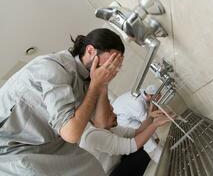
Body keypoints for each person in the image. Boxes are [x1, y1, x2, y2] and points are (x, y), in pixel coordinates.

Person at [0, 28, 124, 175]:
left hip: (47, 142)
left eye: (117, 65)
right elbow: (71, 133)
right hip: (11, 148)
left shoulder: (88, 80)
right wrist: (96, 85)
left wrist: (102, 86)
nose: (113, 68)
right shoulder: (53, 68)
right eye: (111, 60)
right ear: (90, 51)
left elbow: (102, 124)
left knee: (91, 168)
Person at [79, 102, 172, 176]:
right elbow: (132, 145)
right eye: (110, 113)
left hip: (117, 168)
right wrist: (155, 124)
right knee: (139, 153)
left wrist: (151, 117)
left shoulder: (110, 128)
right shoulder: (92, 136)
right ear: (98, 118)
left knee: (140, 150)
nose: (115, 114)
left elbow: (138, 132)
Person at [112, 85, 163, 163]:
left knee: (148, 133)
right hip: (122, 120)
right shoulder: (138, 103)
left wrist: (156, 137)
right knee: (146, 138)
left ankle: (157, 147)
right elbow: (148, 122)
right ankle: (159, 158)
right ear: (150, 96)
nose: (159, 99)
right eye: (157, 97)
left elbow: (150, 114)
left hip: (125, 112)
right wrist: (155, 137)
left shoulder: (144, 92)